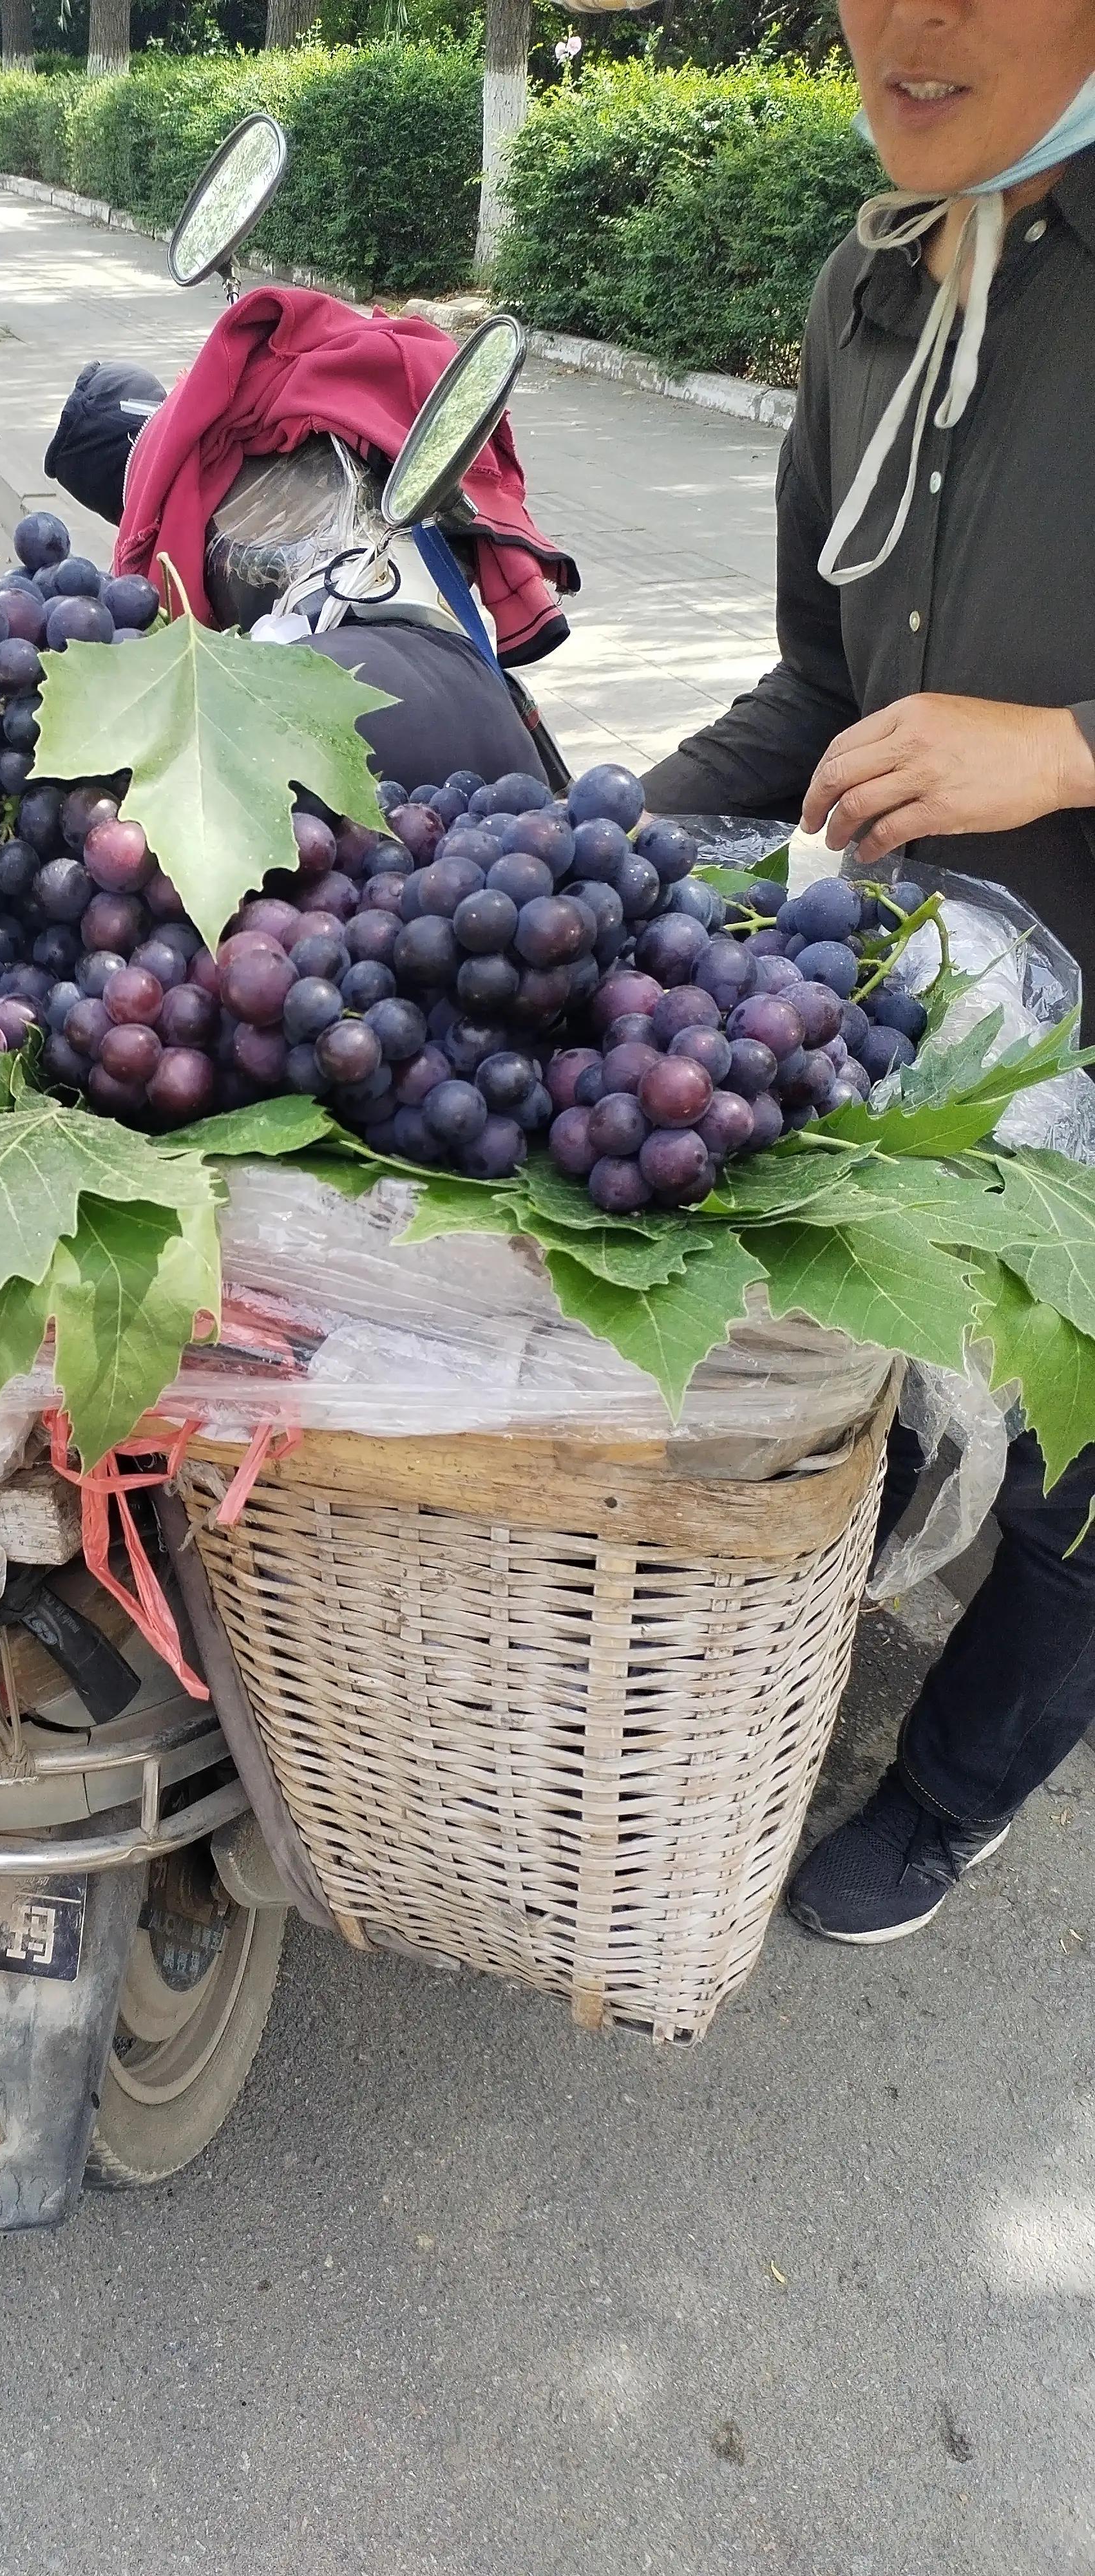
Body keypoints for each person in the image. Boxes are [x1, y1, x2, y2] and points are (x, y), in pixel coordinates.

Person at [645, 0, 1095, 1944]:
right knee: (885, 1357)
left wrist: (1068, 747)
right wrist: (603, 833)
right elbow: (824, 683)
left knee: (1080, 1478)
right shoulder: (868, 287)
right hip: (923, 998)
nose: (911, 23)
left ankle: (952, 1785)